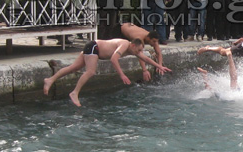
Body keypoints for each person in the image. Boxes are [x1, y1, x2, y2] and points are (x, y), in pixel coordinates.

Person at [43, 38, 172, 106]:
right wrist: (122, 74)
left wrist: (159, 66)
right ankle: (74, 92)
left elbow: (145, 58)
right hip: (94, 47)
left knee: (73, 68)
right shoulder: (124, 45)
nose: (138, 53)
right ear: (133, 45)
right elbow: (114, 59)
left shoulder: (133, 49)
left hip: (94, 48)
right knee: (91, 71)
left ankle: (50, 80)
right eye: (138, 50)